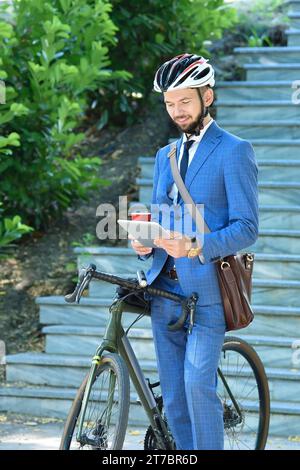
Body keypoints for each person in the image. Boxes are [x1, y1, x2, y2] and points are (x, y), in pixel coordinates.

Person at [130, 53, 259, 450]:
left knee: (196, 384)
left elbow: (247, 228)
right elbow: (159, 217)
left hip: (207, 290)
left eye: (184, 101)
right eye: (170, 104)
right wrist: (143, 243)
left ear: (208, 96)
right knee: (173, 395)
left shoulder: (234, 150)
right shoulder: (164, 156)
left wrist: (197, 245)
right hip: (163, 291)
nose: (176, 111)